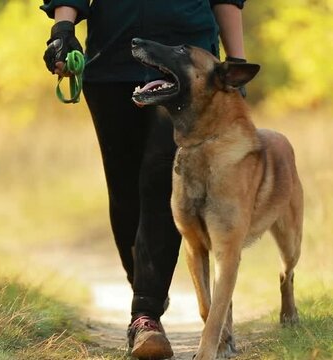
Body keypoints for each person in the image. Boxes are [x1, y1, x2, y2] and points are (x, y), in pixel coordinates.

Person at [40, 1, 247, 358]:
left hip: (185, 66)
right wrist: (63, 31)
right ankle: (145, 287)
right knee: (124, 190)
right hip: (112, 62)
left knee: (162, 180)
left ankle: (145, 314)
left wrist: (237, 61)